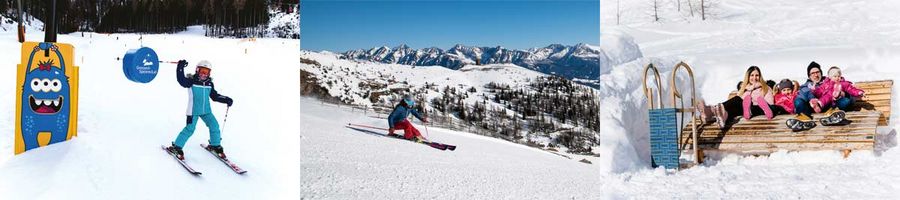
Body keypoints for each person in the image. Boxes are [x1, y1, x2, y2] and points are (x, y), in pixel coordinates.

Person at [166, 60, 234, 160]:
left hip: (206, 111)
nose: (203, 74)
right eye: (202, 71)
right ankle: (176, 147)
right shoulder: (191, 81)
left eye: (206, 72)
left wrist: (226, 99)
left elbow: (214, 96)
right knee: (190, 129)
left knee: (214, 125)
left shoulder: (209, 84)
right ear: (197, 70)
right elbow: (181, 80)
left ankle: (215, 145)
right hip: (193, 111)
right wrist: (180, 68)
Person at [707, 66, 788, 129]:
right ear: (748, 77)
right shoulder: (744, 89)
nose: (754, 77)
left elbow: (770, 104)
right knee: (737, 99)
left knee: (744, 103)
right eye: (752, 75)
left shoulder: (765, 88)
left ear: (760, 76)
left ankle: (713, 111)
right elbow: (737, 103)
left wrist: (760, 103)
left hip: (759, 109)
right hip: (742, 110)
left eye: (757, 75)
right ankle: (714, 112)